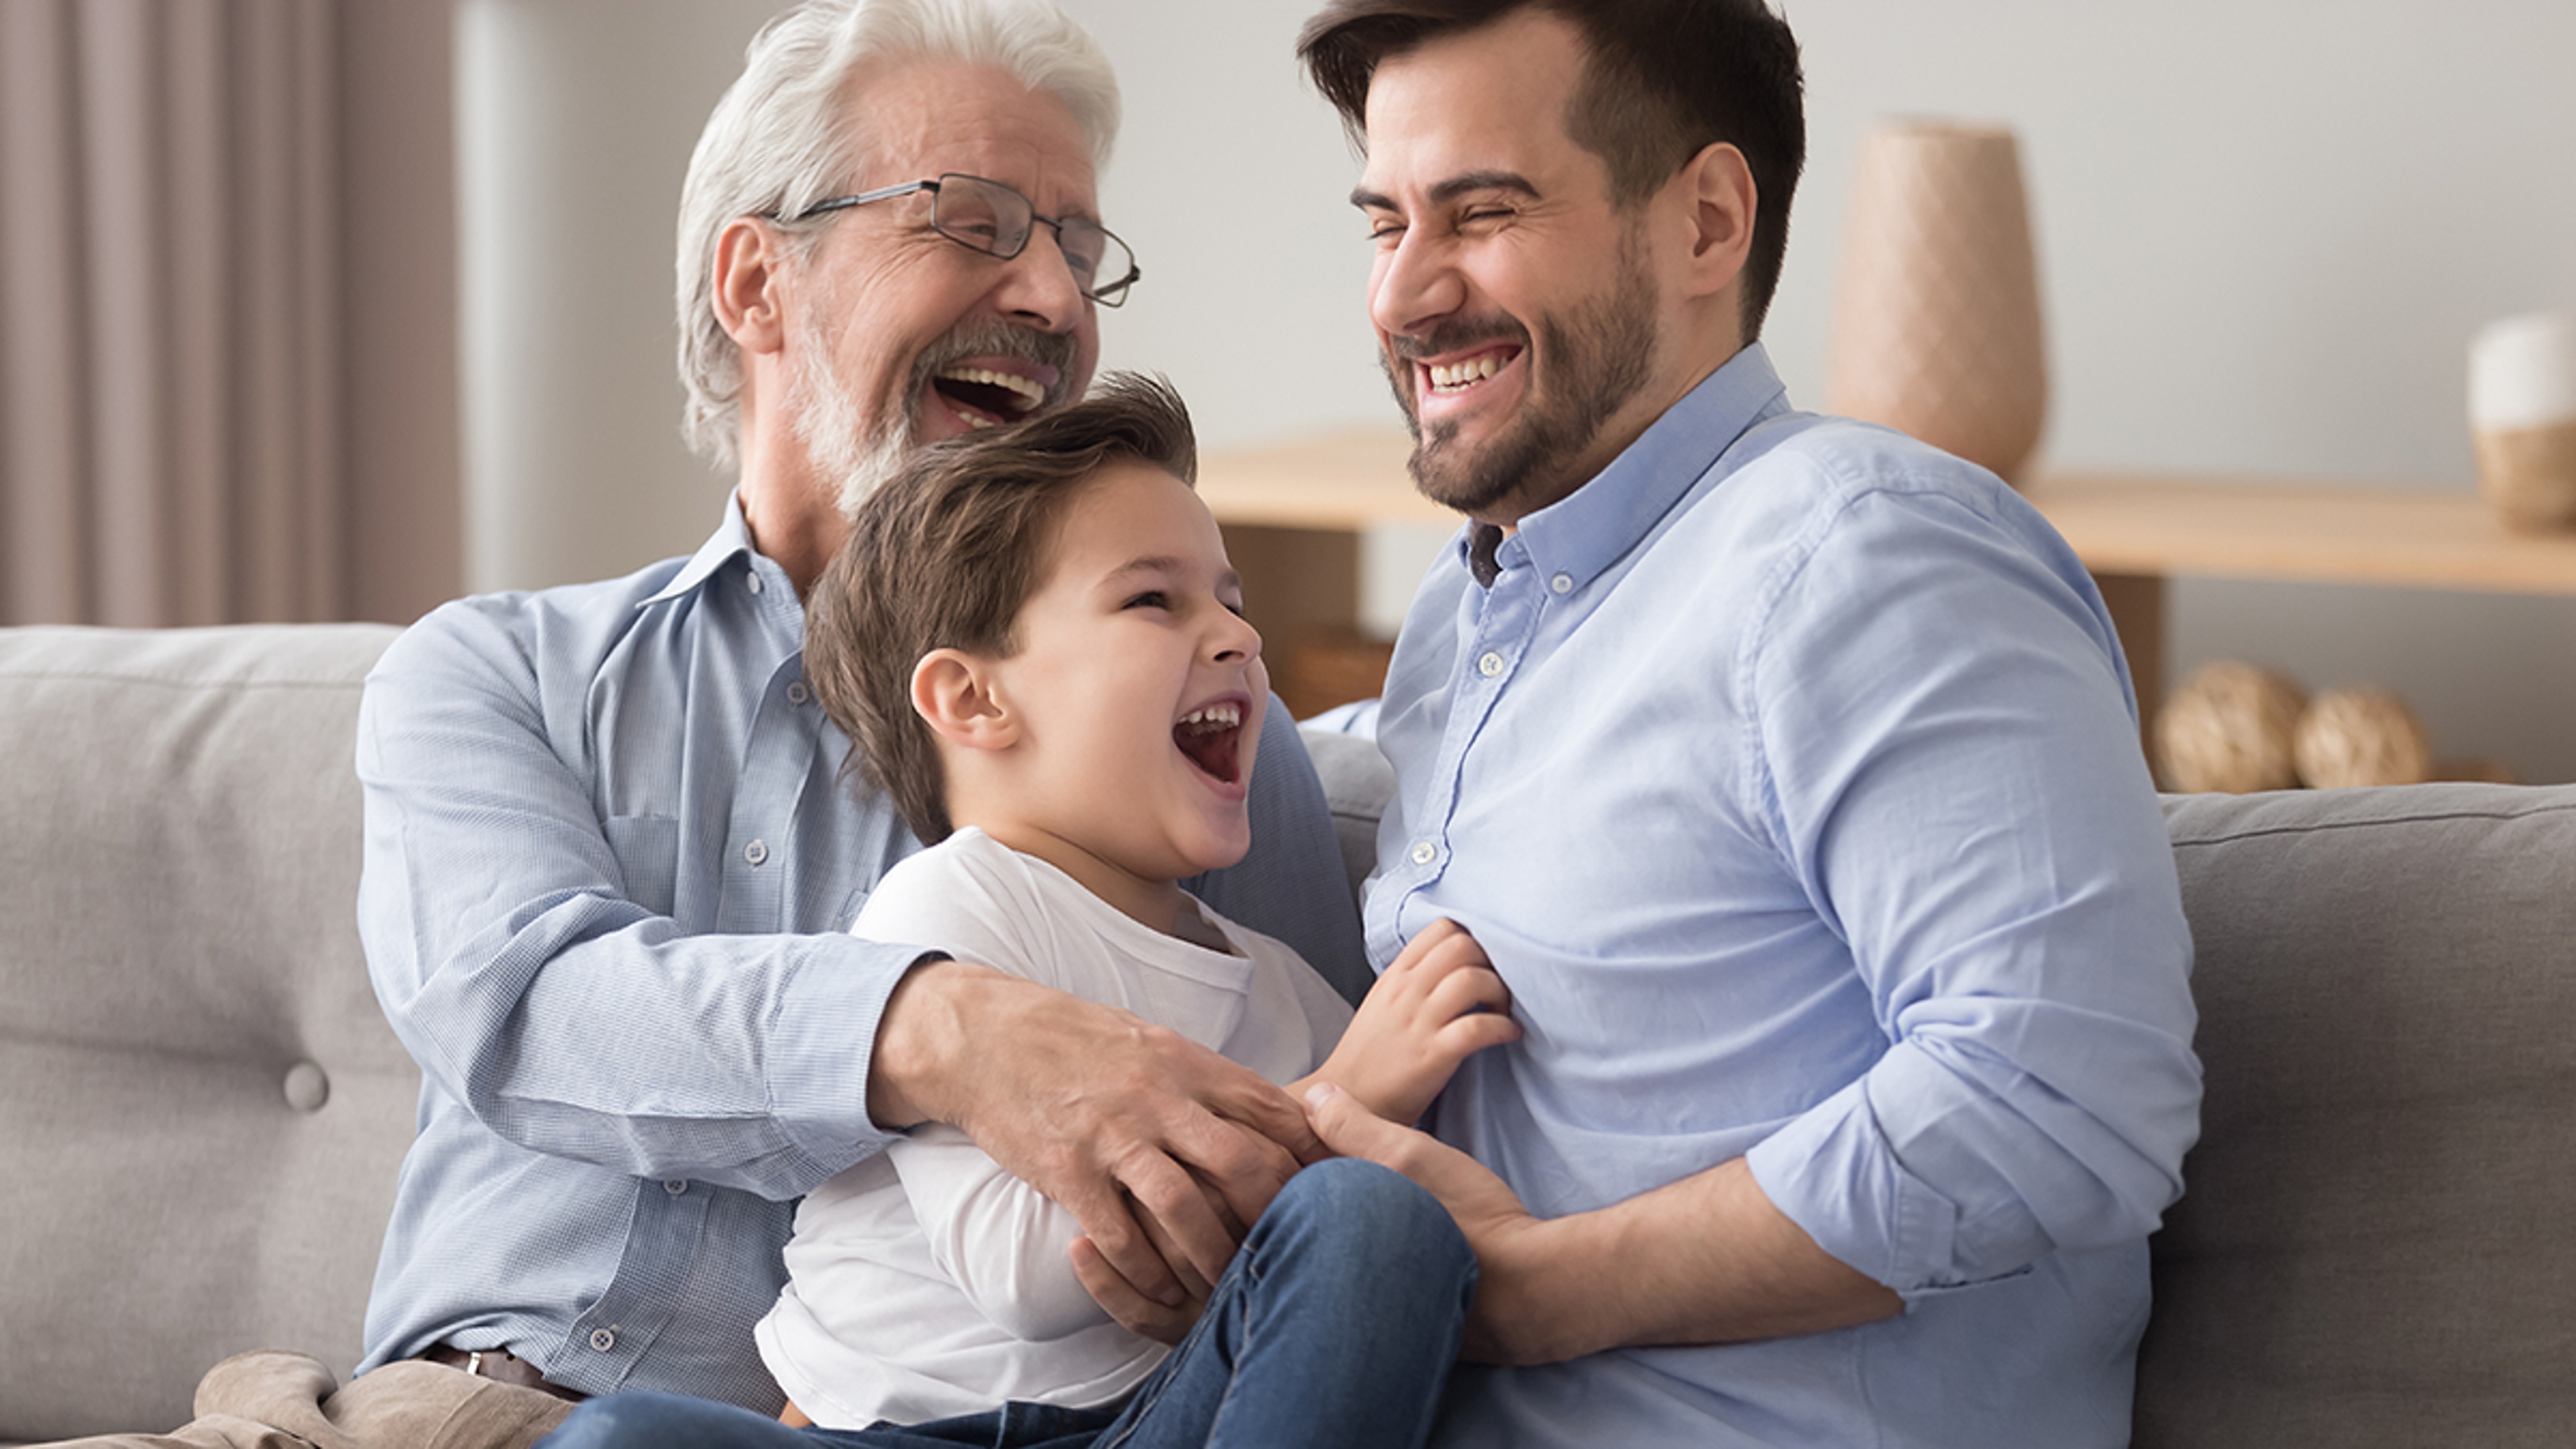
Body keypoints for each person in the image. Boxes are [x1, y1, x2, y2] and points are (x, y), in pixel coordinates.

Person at [33, 4, 1360, 1447]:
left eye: (1077, 247)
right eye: (974, 222)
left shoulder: (1196, 746)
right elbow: (527, 1008)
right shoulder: (492, 675)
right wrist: (937, 1027)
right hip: (443, 1412)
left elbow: (1324, 1159)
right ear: (758, 281)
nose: (1054, 295)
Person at [1250, 2, 2206, 1445]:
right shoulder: (1486, 610)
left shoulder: (1868, 560)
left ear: (1706, 222)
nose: (1406, 295)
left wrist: (1534, 1289)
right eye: (1385, 225)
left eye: (1484, 210)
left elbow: (2060, 1100)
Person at [541, 374, 1503, 1449]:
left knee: (1376, 1227)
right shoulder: (954, 909)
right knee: (619, 1439)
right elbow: (1032, 1274)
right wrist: (1345, 1096)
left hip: (1148, 1426)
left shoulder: (1279, 982)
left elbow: (1380, 1238)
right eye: (1156, 600)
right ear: (974, 699)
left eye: (1231, 599)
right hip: (900, 1435)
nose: (1238, 636)